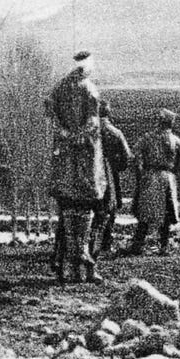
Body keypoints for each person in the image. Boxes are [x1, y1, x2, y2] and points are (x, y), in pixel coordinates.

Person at [46, 51, 108, 282]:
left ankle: (66, 268)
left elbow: (51, 117)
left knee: (67, 217)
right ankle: (86, 269)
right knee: (89, 215)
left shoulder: (58, 89)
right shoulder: (90, 89)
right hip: (86, 166)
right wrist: (78, 137)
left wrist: (65, 135)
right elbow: (92, 123)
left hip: (64, 167)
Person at [129, 109, 180, 257]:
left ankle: (138, 244)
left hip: (150, 176)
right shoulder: (176, 141)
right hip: (167, 177)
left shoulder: (147, 138)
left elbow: (134, 155)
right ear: (171, 123)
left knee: (145, 212)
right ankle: (164, 245)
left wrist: (140, 173)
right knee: (166, 212)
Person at [92, 99, 133, 258]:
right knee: (109, 208)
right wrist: (116, 167)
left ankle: (86, 244)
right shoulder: (115, 133)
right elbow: (126, 157)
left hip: (88, 175)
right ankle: (104, 244)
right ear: (108, 113)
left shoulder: (88, 131)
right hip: (108, 175)